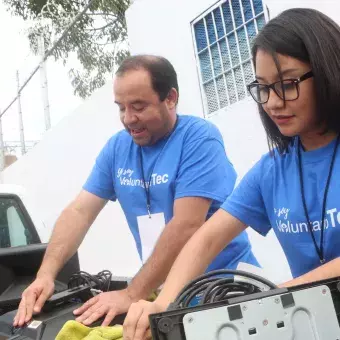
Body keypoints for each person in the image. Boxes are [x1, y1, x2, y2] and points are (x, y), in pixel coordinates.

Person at [122, 8, 340, 340]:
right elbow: (207, 237)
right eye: (263, 88)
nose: (272, 102)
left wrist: (279, 297)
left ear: (326, 71)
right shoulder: (272, 169)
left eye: (288, 84)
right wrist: (164, 304)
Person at [13, 55, 259, 328]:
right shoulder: (117, 148)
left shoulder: (200, 139)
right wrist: (45, 274)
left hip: (224, 292)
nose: (129, 119)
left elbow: (186, 225)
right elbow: (79, 212)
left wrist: (133, 293)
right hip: (162, 295)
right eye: (121, 108)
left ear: (170, 97)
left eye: (139, 107)